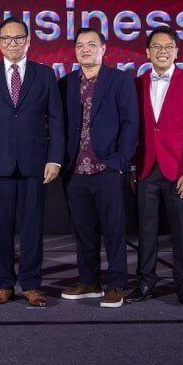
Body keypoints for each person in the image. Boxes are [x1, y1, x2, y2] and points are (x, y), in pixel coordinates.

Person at [0, 17, 64, 307]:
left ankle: (32, 284)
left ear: (28, 40)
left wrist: (55, 159)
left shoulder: (45, 75)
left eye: (18, 38)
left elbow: (57, 121)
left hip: (35, 161)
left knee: (32, 225)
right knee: (0, 226)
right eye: (6, 39)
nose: (12, 43)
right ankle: (3, 284)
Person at [125, 26, 183, 306]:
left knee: (182, 231)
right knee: (146, 230)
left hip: (181, 170)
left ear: (176, 52)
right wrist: (133, 167)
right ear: (147, 52)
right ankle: (146, 282)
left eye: (168, 46)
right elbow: (133, 129)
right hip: (146, 167)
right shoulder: (136, 83)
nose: (162, 51)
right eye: (156, 47)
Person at [58, 28, 138, 309]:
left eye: (92, 44)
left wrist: (120, 161)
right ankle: (90, 281)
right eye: (80, 45)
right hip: (75, 168)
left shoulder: (119, 80)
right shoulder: (65, 83)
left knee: (114, 229)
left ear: (104, 49)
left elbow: (130, 123)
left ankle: (116, 284)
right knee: (82, 230)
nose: (85, 49)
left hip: (108, 167)